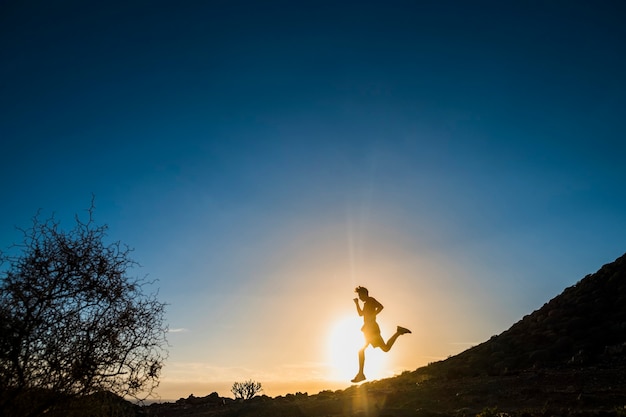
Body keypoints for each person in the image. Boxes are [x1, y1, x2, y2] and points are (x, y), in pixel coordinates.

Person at [351, 286, 411, 383]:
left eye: (360, 295)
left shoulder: (370, 300)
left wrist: (373, 315)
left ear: (365, 294)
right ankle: (399, 332)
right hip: (368, 329)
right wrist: (357, 303)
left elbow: (381, 307)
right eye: (359, 296)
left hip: (372, 329)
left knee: (362, 350)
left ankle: (361, 374)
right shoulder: (366, 304)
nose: (360, 297)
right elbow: (360, 314)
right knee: (384, 348)